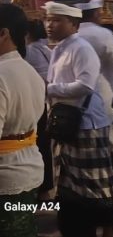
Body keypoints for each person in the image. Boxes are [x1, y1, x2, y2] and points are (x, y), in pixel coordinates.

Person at [44, 1, 113, 237]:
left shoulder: (81, 47)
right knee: (69, 181)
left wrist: (50, 89)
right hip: (68, 123)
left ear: (74, 24)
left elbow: (84, 85)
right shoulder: (59, 48)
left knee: (95, 183)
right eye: (48, 20)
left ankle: (105, 227)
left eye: (56, 20)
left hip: (87, 123)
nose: (49, 25)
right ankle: (77, 225)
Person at [0, 4, 46, 237]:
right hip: (29, 170)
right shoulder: (30, 72)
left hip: (6, 176)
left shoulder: (2, 75)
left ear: (4, 33)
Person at [75, 0, 113, 165]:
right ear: (96, 13)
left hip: (75, 90)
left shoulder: (73, 33)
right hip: (102, 88)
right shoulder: (104, 34)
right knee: (108, 134)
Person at [23, 19, 55, 201]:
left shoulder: (27, 52)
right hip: (44, 103)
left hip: (32, 104)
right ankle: (45, 190)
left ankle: (36, 188)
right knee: (43, 147)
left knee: (33, 146)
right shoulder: (47, 50)